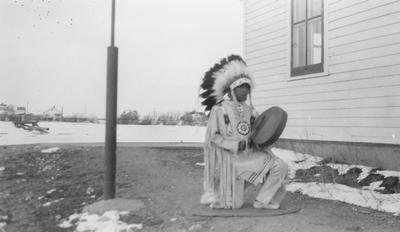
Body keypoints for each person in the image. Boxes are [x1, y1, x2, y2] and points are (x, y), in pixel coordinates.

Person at [199, 55, 288, 209]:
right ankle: (225, 191)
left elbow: (260, 135)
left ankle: (263, 201)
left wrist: (262, 140)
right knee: (234, 205)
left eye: (247, 87)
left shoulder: (251, 111)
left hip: (250, 156)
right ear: (232, 89)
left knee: (280, 165)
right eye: (242, 87)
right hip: (231, 161)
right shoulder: (219, 110)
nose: (245, 90)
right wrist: (235, 145)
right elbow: (213, 138)